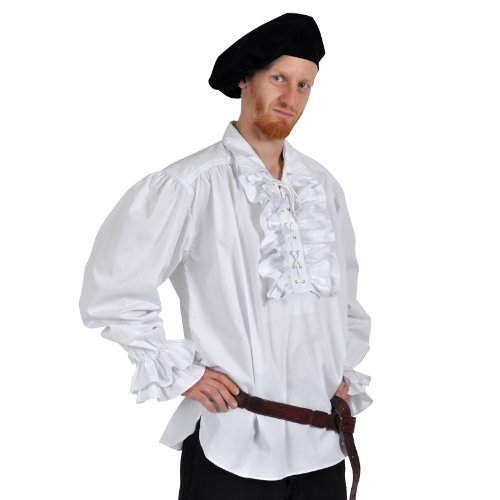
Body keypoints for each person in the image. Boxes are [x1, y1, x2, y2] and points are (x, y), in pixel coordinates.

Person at [79, 12, 372, 500]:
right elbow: (113, 289)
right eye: (278, 78)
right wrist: (183, 373)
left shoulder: (322, 186)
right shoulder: (189, 185)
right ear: (245, 80)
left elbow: (345, 300)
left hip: (321, 446)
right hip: (233, 442)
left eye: (304, 85)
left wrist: (340, 372)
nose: (291, 97)